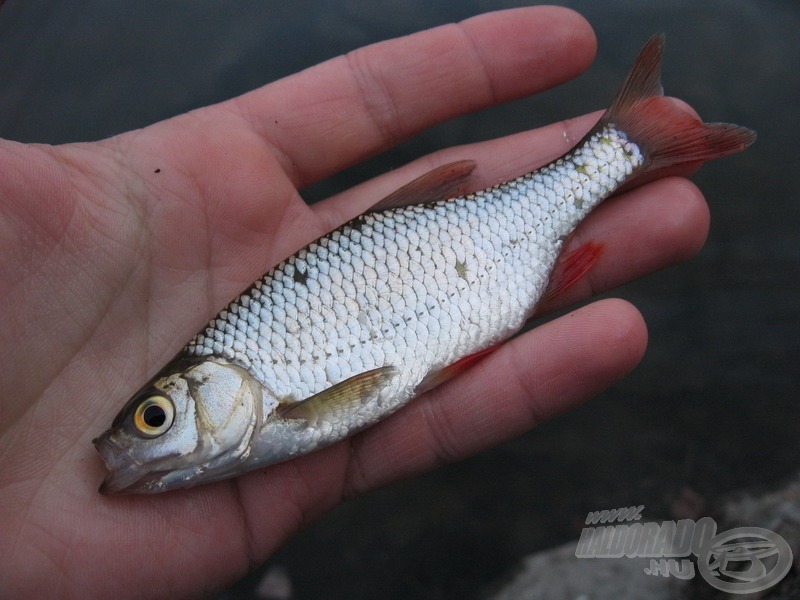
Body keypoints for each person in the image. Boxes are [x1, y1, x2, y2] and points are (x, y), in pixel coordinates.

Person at [0, 6, 711, 598]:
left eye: (155, 418)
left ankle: (625, 146)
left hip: (476, 257)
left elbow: (364, 390)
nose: (142, 442)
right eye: (155, 420)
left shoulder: (270, 408)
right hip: (469, 277)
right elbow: (372, 387)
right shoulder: (251, 415)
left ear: (218, 388)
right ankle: (632, 144)